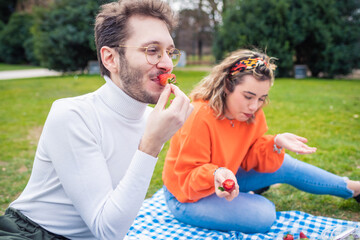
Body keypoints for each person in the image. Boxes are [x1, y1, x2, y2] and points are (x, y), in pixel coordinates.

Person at [0, 0, 193, 239]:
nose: (166, 64)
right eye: (152, 50)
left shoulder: (151, 119)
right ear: (110, 58)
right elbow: (107, 232)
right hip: (32, 233)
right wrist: (151, 145)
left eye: (169, 52)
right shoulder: (72, 116)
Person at [162, 49, 360, 233]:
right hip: (187, 196)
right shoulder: (199, 115)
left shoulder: (252, 113)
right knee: (264, 214)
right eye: (248, 96)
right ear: (226, 86)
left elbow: (250, 156)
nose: (254, 106)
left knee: (284, 163)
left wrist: (276, 142)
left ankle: (353, 188)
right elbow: (188, 176)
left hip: (229, 173)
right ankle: (248, 196)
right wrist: (216, 173)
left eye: (261, 98)